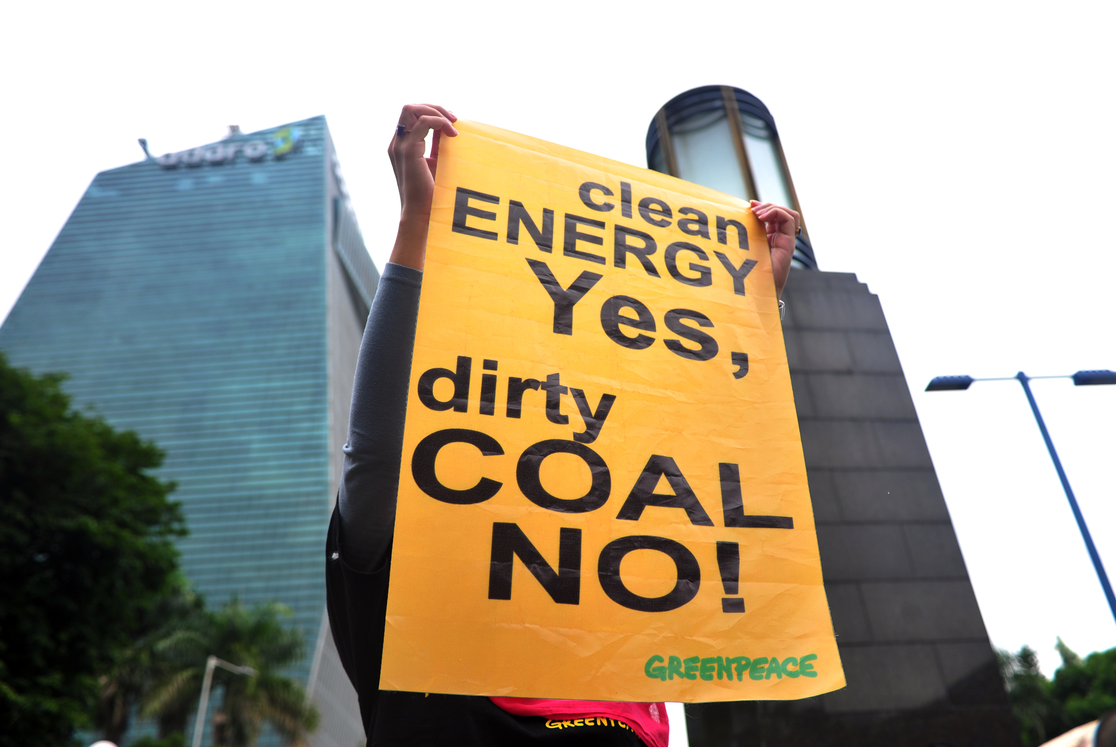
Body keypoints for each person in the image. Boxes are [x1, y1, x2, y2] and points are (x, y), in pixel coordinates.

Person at [325, 104, 800, 746]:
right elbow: (379, 455)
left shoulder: (631, 676)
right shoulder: (408, 613)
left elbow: (706, 457)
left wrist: (748, 313)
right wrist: (418, 226)